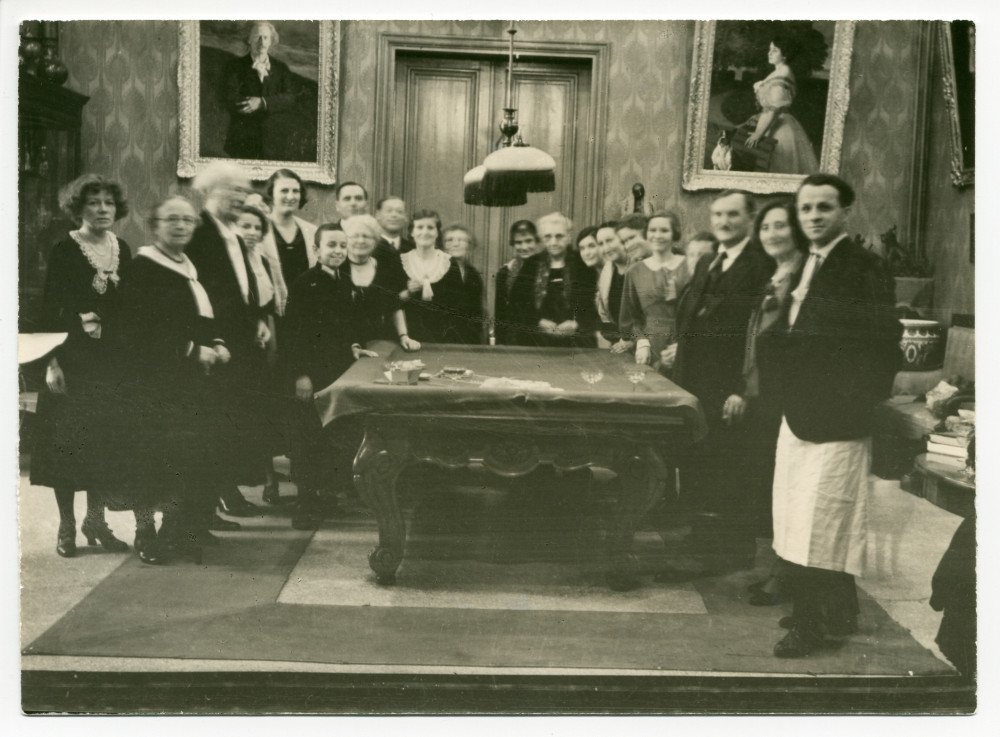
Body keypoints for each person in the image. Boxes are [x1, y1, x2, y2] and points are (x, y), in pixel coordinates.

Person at [755, 174, 899, 657]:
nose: (813, 216)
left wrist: (853, 402)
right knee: (796, 517)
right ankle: (829, 610)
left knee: (825, 522)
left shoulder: (862, 267)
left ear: (845, 213)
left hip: (837, 419)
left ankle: (814, 626)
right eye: (806, 208)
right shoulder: (803, 265)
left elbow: (882, 343)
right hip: (799, 413)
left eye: (824, 207)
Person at [663, 190, 774, 579]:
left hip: (729, 386)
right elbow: (692, 315)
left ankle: (729, 550)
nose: (724, 222)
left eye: (732, 215)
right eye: (718, 214)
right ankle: (702, 537)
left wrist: (743, 389)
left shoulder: (762, 264)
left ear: (750, 219)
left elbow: (757, 333)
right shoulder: (710, 260)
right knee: (701, 461)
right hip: (696, 382)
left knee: (730, 468)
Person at [122, 195, 231, 561]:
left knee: (185, 454)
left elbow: (202, 315)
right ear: (155, 226)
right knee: (151, 456)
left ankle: (178, 528)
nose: (182, 226)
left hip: (189, 381)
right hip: (155, 380)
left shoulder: (187, 264)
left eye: (187, 220)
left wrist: (216, 342)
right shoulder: (143, 268)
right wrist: (191, 350)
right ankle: (144, 533)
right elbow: (140, 332)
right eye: (172, 219)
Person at [30, 174, 133, 559]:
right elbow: (50, 310)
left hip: (110, 362)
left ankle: (95, 520)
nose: (103, 209)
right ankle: (67, 524)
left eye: (109, 202)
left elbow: (128, 308)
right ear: (80, 208)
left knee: (102, 443)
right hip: (73, 360)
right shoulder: (65, 249)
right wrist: (52, 362)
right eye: (94, 202)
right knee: (68, 445)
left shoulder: (121, 247)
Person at [185, 161, 270, 521]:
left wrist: (258, 320)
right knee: (208, 428)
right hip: (211, 346)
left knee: (227, 426)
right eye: (231, 190)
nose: (240, 198)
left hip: (238, 343)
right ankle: (203, 510)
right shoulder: (197, 231)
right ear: (209, 191)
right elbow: (194, 292)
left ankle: (213, 505)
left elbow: (242, 288)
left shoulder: (232, 233)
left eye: (242, 191)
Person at [283, 223, 378, 529]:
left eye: (341, 246)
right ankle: (305, 503)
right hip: (311, 372)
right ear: (316, 250)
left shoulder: (344, 281)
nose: (337, 251)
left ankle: (325, 495)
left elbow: (343, 327)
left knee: (332, 435)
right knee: (308, 436)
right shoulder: (304, 283)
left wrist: (353, 346)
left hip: (336, 370)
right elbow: (294, 334)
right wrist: (300, 374)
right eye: (331, 246)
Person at [736, 200, 808, 606]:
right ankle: (779, 568)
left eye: (781, 226)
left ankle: (787, 575)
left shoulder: (802, 273)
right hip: (759, 392)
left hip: (784, 396)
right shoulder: (772, 272)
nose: (772, 234)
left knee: (790, 491)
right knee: (771, 489)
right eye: (765, 228)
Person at [617, 211, 691, 374]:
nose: (657, 235)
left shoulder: (690, 266)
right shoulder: (634, 271)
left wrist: (685, 344)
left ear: (674, 234)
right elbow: (632, 316)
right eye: (652, 231)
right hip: (651, 345)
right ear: (646, 233)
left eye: (664, 231)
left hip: (684, 342)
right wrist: (642, 342)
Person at [509, 212, 597, 348]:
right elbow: (516, 304)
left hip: (576, 343)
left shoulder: (583, 264)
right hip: (535, 341)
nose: (553, 242)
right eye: (548, 237)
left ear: (569, 237)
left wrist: (577, 324)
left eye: (559, 236)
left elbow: (593, 303)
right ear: (542, 239)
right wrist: (537, 322)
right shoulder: (531, 264)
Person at [339, 214, 420, 352]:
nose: (360, 240)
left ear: (376, 241)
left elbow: (394, 306)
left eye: (366, 236)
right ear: (346, 239)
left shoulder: (384, 269)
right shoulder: (338, 268)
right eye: (355, 236)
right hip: (343, 344)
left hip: (377, 341)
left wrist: (404, 336)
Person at [742, 35, 820, 175]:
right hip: (772, 124)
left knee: (775, 167)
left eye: (775, 50)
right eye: (769, 49)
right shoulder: (778, 71)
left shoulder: (783, 74)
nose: (769, 53)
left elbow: (773, 109)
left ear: (785, 55)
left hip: (779, 128)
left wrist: (758, 135)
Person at [222, 21, 297, 160]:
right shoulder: (235, 66)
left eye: (266, 38)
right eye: (257, 37)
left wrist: (262, 102)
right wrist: (248, 103)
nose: (262, 42)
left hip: (273, 141)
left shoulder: (281, 69)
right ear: (249, 40)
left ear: (271, 41)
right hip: (242, 139)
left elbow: (290, 98)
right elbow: (228, 97)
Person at [400, 210, 468, 344]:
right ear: (412, 232)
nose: (425, 232)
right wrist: (408, 292)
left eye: (430, 227)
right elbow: (390, 302)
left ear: (437, 233)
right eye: (420, 227)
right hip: (408, 339)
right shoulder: (401, 261)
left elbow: (460, 309)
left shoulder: (449, 263)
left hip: (443, 340)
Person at [260, 168, 317, 317]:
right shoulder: (259, 231)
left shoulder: (312, 231)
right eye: (284, 191)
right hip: (271, 315)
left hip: (308, 314)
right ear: (271, 194)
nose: (290, 196)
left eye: (295, 191)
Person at [494, 220, 540, 345]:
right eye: (519, 242)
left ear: (536, 241)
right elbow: (500, 315)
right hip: (515, 340)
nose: (524, 247)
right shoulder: (505, 273)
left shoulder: (547, 268)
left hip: (543, 340)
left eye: (529, 241)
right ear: (513, 244)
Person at [442, 224, 486, 344]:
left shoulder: (474, 274)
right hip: (441, 339)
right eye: (449, 240)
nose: (455, 244)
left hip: (468, 339)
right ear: (443, 246)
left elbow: (477, 313)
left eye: (461, 240)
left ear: (469, 245)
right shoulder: (436, 270)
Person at [594, 222, 628, 348]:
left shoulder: (639, 268)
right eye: (601, 244)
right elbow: (605, 318)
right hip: (619, 344)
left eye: (609, 241)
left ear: (623, 240)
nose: (605, 248)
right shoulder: (607, 271)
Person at [374, 196, 415, 262]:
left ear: (406, 217)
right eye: (389, 211)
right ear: (378, 215)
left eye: (399, 211)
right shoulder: (370, 246)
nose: (394, 215)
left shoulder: (413, 250)